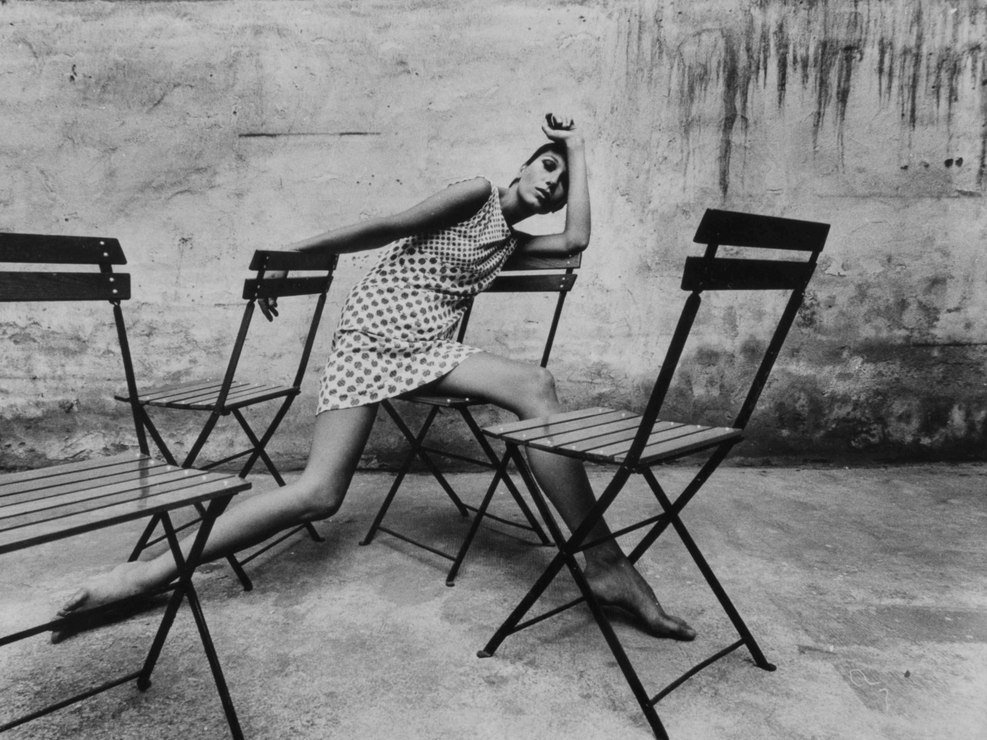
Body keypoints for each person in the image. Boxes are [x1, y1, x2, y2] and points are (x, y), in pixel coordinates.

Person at [58, 115, 695, 642]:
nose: (553, 185)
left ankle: (604, 560)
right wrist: (289, 258)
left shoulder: (510, 243)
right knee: (319, 494)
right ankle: (148, 574)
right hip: (371, 339)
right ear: (520, 169)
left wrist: (577, 148)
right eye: (547, 167)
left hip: (425, 350)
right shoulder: (476, 194)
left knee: (536, 385)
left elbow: (576, 240)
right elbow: (389, 226)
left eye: (562, 184)